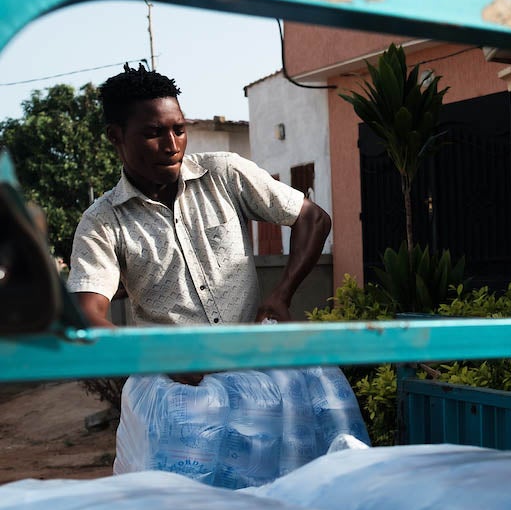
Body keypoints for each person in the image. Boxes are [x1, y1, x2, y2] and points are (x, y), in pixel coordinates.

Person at [67, 65, 331, 332]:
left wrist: (281, 295)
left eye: (179, 130)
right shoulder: (102, 221)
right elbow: (86, 316)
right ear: (116, 136)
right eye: (153, 133)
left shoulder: (225, 173)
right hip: (169, 372)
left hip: (253, 360)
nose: (172, 146)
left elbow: (313, 218)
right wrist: (159, 356)